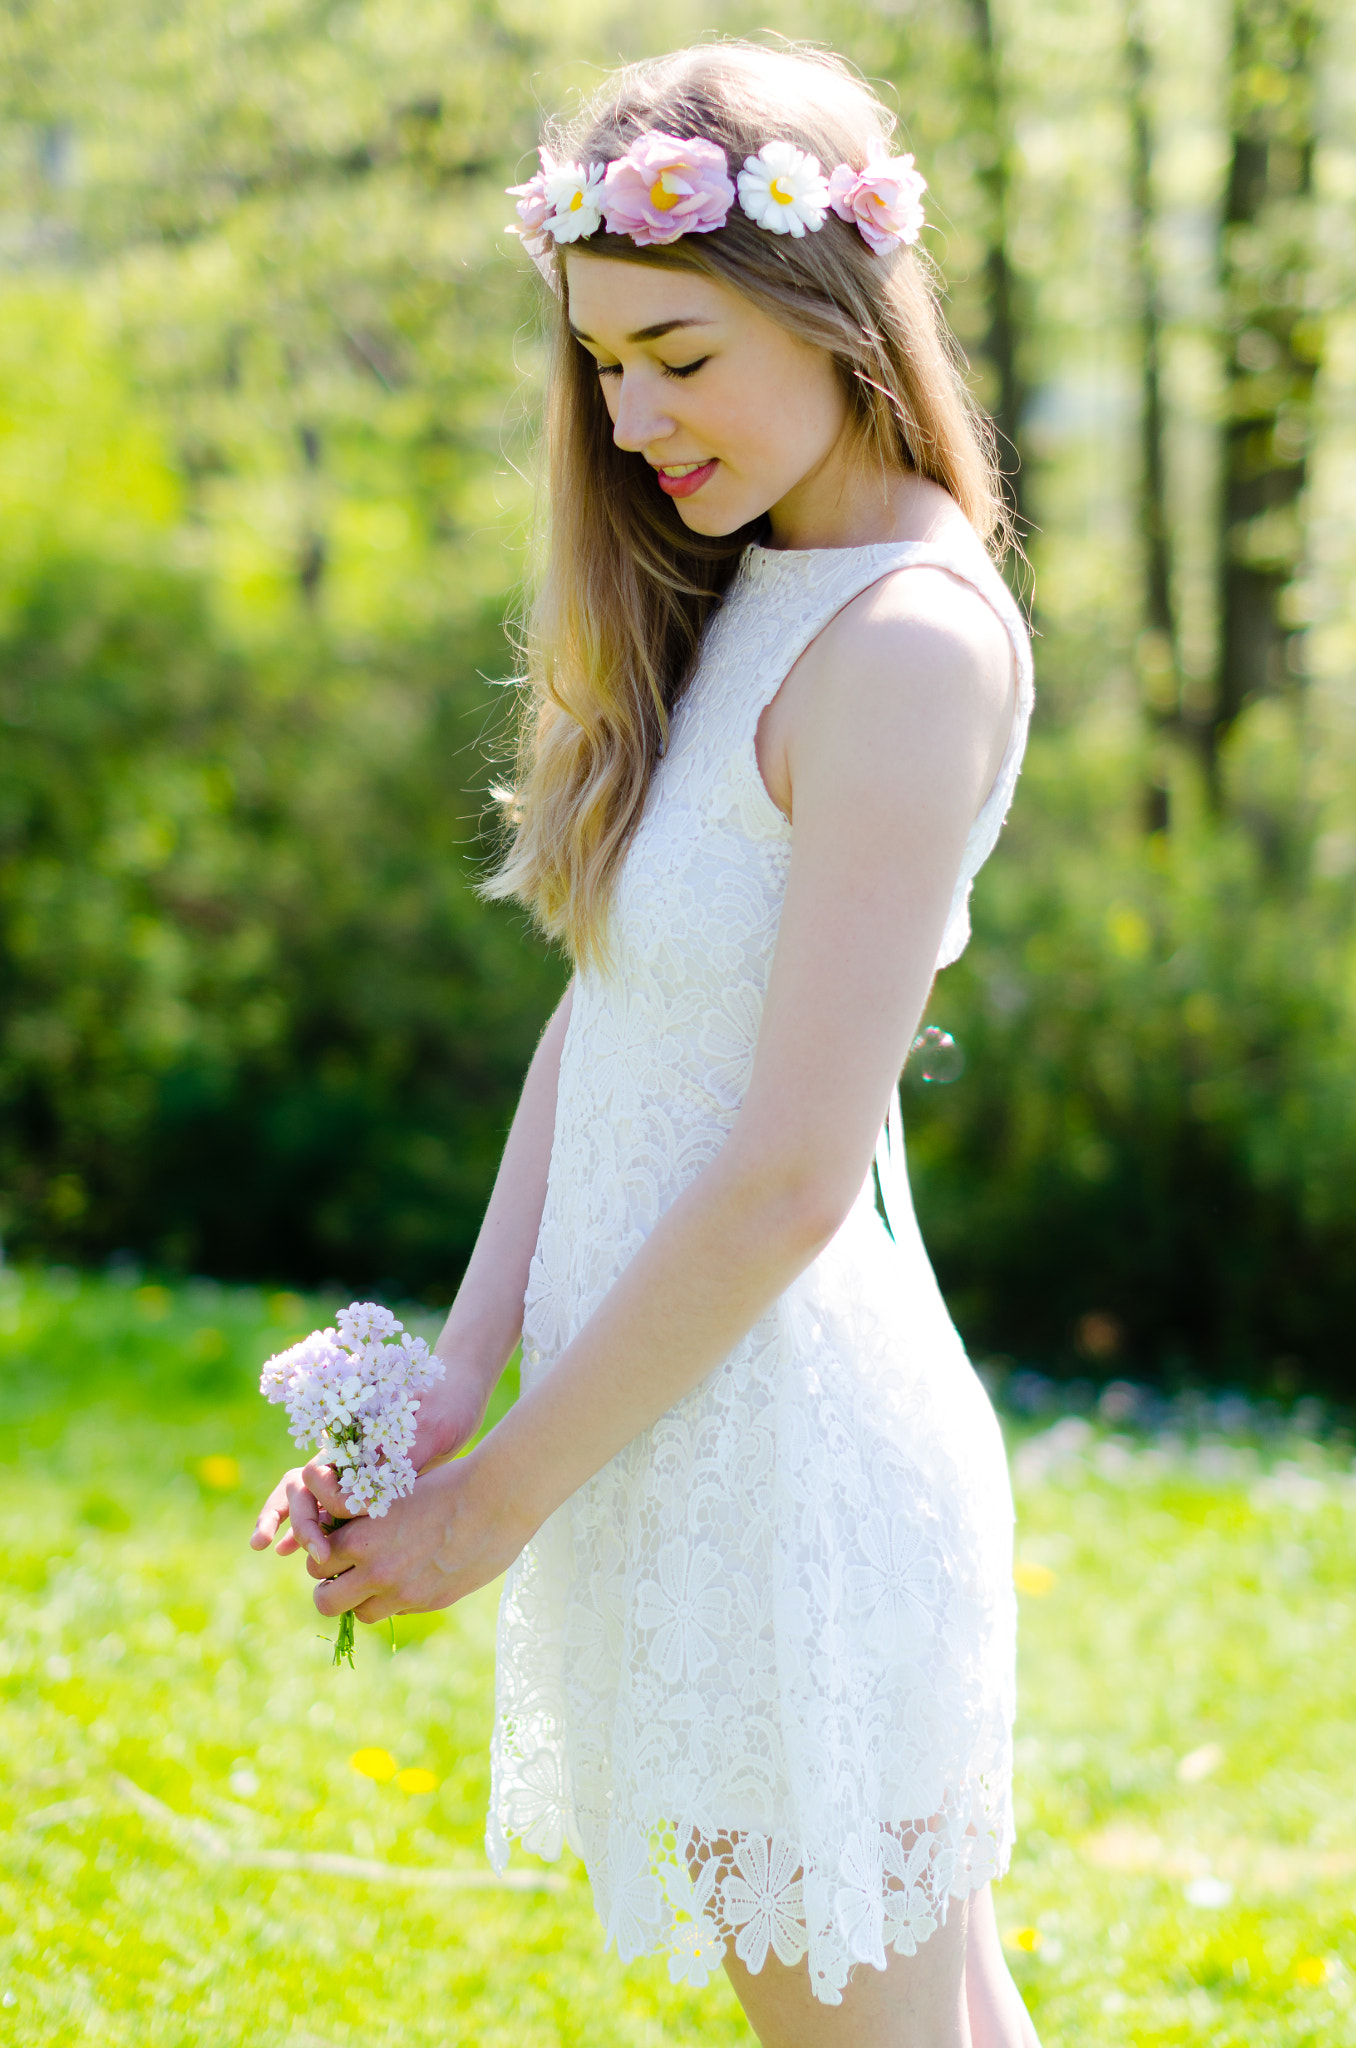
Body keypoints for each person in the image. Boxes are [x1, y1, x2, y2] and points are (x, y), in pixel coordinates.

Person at [252, 41, 1040, 2048]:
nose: (630, 418)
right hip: (677, 1432)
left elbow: (790, 1168)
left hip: (786, 1459)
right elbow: (612, 1018)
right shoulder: (763, 590)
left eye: (678, 354)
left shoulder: (910, 643)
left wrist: (492, 1502)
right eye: (603, 364)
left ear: (833, 308)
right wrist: (449, 1372)